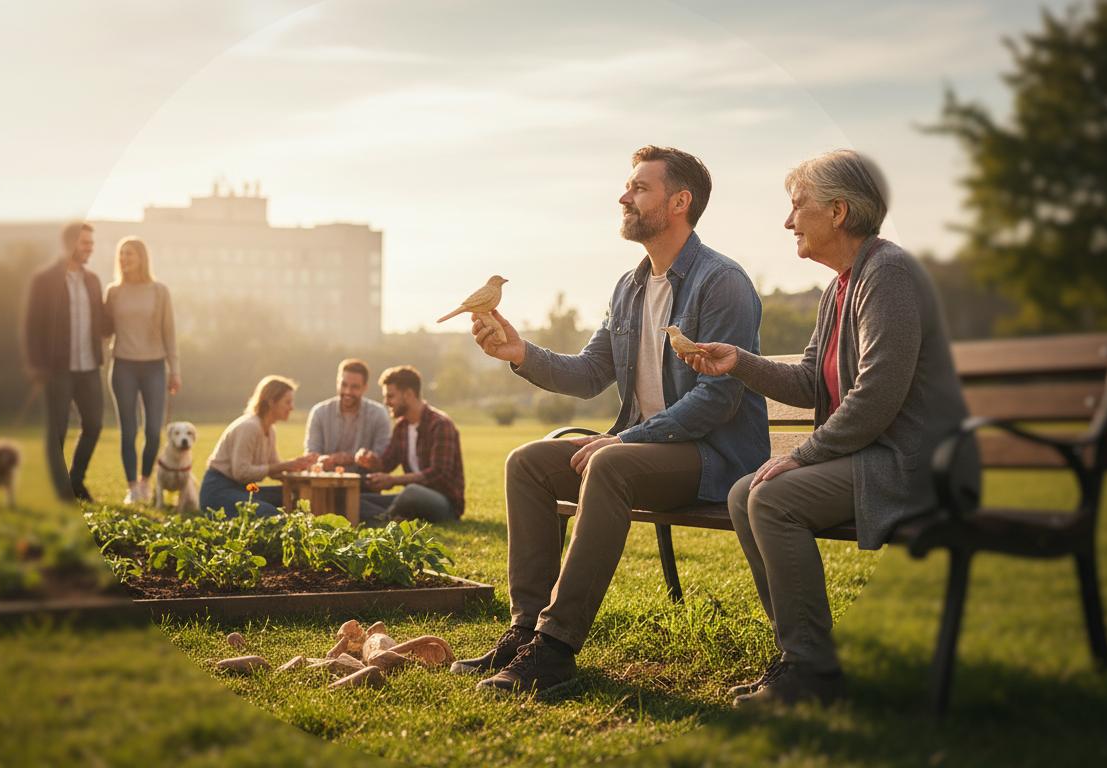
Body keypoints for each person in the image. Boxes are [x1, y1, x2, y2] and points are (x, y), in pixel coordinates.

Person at [457, 146, 769, 695]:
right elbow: (587, 374)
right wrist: (518, 352)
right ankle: (525, 630)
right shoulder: (629, 288)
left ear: (680, 201)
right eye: (628, 187)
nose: (624, 197)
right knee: (528, 462)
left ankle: (555, 649)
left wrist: (622, 439)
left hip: (713, 459)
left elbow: (717, 400)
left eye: (639, 188)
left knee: (611, 465)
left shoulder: (722, 283)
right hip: (646, 450)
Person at [681, 149, 975, 707]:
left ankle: (811, 673)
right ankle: (801, 656)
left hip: (918, 465)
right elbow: (812, 384)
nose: (788, 221)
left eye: (798, 206)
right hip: (878, 455)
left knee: (771, 497)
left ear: (838, 212)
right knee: (747, 492)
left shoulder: (887, 274)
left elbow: (878, 394)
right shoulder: (841, 285)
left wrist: (805, 454)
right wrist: (737, 361)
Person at [24, 221, 112, 503]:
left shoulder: (93, 280)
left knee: (95, 424)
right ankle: (62, 492)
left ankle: (76, 480)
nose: (90, 249)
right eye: (86, 243)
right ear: (70, 244)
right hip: (57, 368)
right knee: (58, 429)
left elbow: (103, 321)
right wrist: (36, 364)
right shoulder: (45, 280)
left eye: (92, 244)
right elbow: (32, 325)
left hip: (89, 367)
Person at [104, 236, 181, 504]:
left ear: (142, 258)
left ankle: (146, 482)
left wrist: (175, 370)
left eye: (130, 254)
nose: (124, 259)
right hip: (123, 364)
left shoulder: (159, 291)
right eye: (121, 254)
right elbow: (104, 331)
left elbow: (169, 333)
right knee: (128, 430)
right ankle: (132, 487)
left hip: (154, 366)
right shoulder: (113, 292)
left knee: (152, 430)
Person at [354, 365, 465, 524]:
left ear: (408, 394)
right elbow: (386, 463)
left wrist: (393, 480)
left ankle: (385, 520)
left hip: (444, 504)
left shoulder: (440, 424)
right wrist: (371, 460)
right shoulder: (402, 427)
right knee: (357, 500)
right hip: (411, 500)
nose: (386, 402)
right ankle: (394, 519)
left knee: (411, 492)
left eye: (390, 396)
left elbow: (439, 474)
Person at [199, 375, 319, 516]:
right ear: (271, 402)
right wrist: (285, 466)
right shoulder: (249, 427)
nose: (292, 407)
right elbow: (241, 472)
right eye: (287, 402)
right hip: (218, 491)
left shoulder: (269, 429)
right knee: (268, 513)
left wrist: (299, 468)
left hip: (242, 490)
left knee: (296, 495)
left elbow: (275, 469)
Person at [304, 358, 391, 473]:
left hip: (364, 487)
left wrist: (363, 459)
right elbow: (311, 455)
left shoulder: (379, 414)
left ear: (365, 387)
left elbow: (382, 461)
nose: (348, 391)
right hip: (324, 485)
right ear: (337, 383)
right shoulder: (319, 412)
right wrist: (323, 461)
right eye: (343, 385)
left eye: (355, 387)